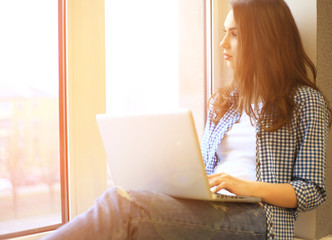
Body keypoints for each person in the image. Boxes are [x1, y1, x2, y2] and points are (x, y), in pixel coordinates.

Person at [43, 0, 331, 239]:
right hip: (213, 206)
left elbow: (312, 190)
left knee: (122, 205)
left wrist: (245, 187)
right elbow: (204, 170)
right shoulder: (224, 103)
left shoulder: (305, 102)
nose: (222, 42)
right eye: (223, 31)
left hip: (260, 219)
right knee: (124, 200)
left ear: (265, 40)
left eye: (234, 34)